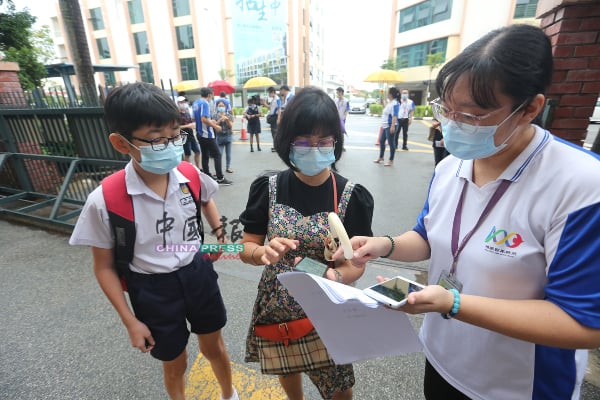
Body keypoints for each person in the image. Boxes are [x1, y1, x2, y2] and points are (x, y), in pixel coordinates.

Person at [336, 24, 600, 400]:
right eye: (446, 109)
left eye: (473, 115)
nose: (453, 124)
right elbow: (427, 236)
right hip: (442, 359)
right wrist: (384, 245)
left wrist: (455, 303)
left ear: (530, 109)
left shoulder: (582, 185)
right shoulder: (452, 164)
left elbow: (581, 323)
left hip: (518, 386)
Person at [68, 82, 238, 400]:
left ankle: (230, 394)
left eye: (176, 136)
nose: (172, 146)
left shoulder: (189, 174)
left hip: (197, 273)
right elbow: (103, 267)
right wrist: (130, 321)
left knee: (214, 345)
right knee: (175, 362)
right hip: (152, 290)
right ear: (121, 143)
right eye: (158, 139)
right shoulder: (105, 199)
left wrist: (219, 236)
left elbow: (207, 200)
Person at [238, 87, 374, 400]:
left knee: (340, 390)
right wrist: (262, 252)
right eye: (303, 141)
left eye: (324, 140)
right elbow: (246, 247)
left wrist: (336, 276)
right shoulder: (268, 187)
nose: (314, 148)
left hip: (328, 307)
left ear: (335, 143)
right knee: (289, 373)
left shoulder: (353, 196)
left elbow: (355, 263)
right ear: (287, 142)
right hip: (278, 304)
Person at [192, 88, 232, 185]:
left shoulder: (195, 103)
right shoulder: (205, 103)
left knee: (205, 155)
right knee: (217, 155)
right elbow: (203, 119)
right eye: (212, 95)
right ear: (209, 95)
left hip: (199, 133)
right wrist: (215, 126)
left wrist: (212, 122)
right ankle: (220, 178)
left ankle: (207, 175)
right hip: (207, 134)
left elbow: (195, 118)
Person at [373, 87, 400, 166]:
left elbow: (395, 115)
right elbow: (386, 109)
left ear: (391, 94)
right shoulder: (390, 102)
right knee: (381, 141)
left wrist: (392, 126)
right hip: (385, 125)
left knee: (391, 143)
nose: (387, 94)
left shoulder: (395, 103)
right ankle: (381, 157)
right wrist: (382, 102)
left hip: (390, 125)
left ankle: (391, 160)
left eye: (388, 93)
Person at [177, 96, 201, 168]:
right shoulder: (176, 115)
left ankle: (198, 167)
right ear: (178, 103)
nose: (184, 103)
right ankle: (188, 169)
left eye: (185, 102)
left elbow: (191, 122)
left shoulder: (188, 112)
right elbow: (176, 127)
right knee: (187, 154)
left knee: (197, 152)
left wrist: (193, 123)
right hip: (183, 136)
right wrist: (188, 126)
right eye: (181, 102)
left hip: (191, 135)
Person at [213, 98, 234, 173]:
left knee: (228, 154)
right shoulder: (215, 116)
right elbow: (214, 125)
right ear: (217, 107)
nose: (221, 107)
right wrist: (220, 120)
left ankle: (228, 167)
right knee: (219, 154)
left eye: (222, 106)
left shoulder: (229, 115)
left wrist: (227, 119)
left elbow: (231, 126)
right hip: (219, 137)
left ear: (225, 106)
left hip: (228, 136)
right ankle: (219, 169)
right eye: (219, 106)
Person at [265, 86, 281, 152]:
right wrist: (264, 103)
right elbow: (270, 108)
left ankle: (277, 147)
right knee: (273, 132)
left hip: (275, 117)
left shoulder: (277, 99)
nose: (269, 94)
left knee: (275, 132)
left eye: (269, 93)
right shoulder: (273, 99)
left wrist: (278, 118)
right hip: (273, 117)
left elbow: (279, 109)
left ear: (273, 92)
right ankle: (275, 146)